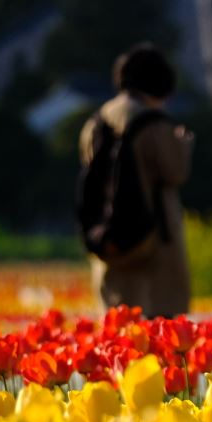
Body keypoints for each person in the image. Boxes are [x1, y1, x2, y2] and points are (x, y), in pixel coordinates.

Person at [78, 44, 193, 318]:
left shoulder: (95, 122)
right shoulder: (154, 123)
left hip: (107, 234)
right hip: (154, 233)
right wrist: (184, 144)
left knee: (119, 323)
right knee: (161, 321)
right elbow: (175, 172)